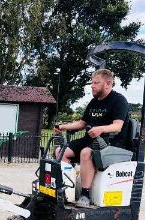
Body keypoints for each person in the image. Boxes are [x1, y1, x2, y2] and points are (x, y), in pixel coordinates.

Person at [54, 69, 129, 207]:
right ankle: (67, 191)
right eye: (92, 82)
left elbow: (117, 126)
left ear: (107, 83)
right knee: (60, 151)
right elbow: (82, 123)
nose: (92, 86)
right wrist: (63, 127)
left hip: (111, 142)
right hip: (90, 139)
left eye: (96, 83)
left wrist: (101, 129)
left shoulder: (119, 100)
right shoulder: (94, 102)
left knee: (86, 152)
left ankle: (85, 194)